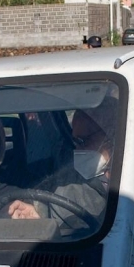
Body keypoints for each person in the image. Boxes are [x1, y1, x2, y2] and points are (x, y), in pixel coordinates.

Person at [8, 96, 118, 230]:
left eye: (83, 141)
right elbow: (56, 202)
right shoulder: (72, 179)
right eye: (75, 141)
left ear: (111, 136)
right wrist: (39, 213)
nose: (77, 150)